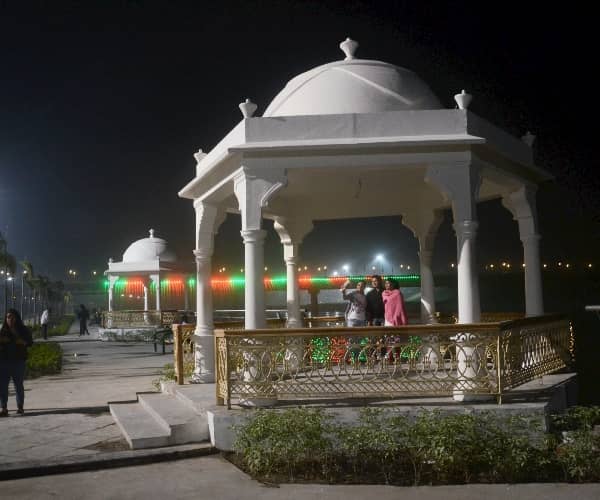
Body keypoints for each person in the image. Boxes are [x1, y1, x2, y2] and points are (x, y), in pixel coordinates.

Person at [0, 309, 33, 416]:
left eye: (12, 317)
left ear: (17, 318)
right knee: (3, 386)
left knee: (18, 385)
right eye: (8, 317)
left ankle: (20, 407)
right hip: (4, 362)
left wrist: (22, 342)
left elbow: (30, 342)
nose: (10, 319)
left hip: (18, 362)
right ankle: (4, 408)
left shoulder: (23, 330)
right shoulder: (2, 330)